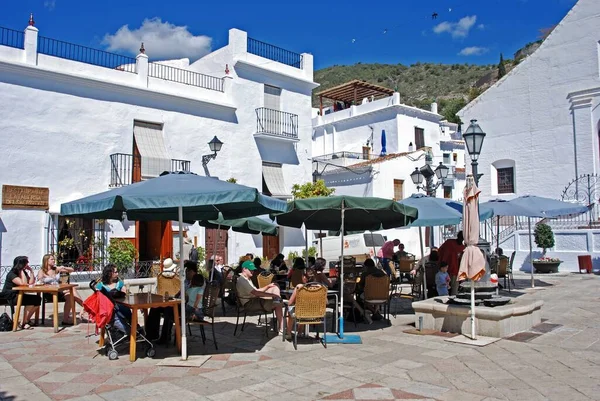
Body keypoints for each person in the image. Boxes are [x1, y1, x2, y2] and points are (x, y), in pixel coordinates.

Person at [236, 260, 283, 333]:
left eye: (253, 270)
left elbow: (256, 290)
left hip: (254, 300)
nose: (252, 271)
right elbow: (256, 293)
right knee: (278, 304)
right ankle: (281, 327)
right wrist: (272, 295)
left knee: (275, 285)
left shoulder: (246, 279)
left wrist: (268, 286)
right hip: (250, 303)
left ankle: (277, 299)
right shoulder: (243, 280)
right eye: (250, 270)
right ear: (244, 269)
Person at [38, 254, 84, 325]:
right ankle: (86, 307)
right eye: (52, 259)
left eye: (54, 259)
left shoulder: (56, 269)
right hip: (49, 293)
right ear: (46, 261)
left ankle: (65, 320)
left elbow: (71, 270)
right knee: (71, 289)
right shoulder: (42, 271)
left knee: (70, 295)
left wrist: (63, 267)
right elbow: (39, 281)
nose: (54, 261)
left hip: (59, 291)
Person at [0, 256, 41, 330]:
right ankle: (24, 322)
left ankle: (25, 321)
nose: (28, 263)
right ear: (21, 264)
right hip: (10, 296)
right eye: (26, 262)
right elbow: (23, 283)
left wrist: (31, 271)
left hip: (18, 294)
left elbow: (31, 282)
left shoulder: (23, 272)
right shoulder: (12, 274)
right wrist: (21, 270)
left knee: (37, 299)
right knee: (32, 300)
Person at [438, 231, 464, 296]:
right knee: (445, 289)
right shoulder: (449, 243)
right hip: (446, 271)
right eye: (461, 237)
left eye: (462, 238)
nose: (461, 239)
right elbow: (440, 251)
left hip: (455, 272)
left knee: (454, 290)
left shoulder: (463, 248)